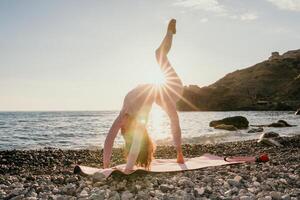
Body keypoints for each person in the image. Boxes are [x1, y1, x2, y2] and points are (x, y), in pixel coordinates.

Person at [103, 19, 184, 174]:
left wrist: (107, 166)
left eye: (122, 128)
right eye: (124, 128)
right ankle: (179, 152)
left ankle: (170, 32)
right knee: (174, 117)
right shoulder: (141, 115)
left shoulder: (125, 115)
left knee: (158, 54)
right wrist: (126, 168)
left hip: (167, 87)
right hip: (170, 90)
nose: (121, 125)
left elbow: (109, 139)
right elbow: (126, 141)